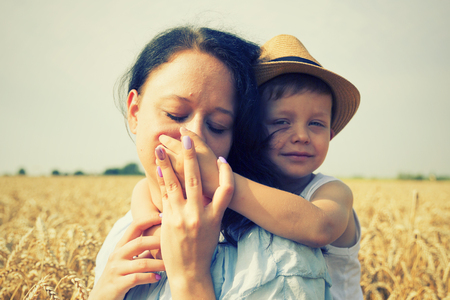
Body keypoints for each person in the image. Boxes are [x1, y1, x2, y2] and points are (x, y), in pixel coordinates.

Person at [91, 26, 332, 300]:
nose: (191, 139)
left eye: (218, 126)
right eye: (175, 114)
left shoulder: (279, 259)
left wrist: (190, 279)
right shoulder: (123, 237)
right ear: (134, 112)